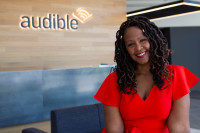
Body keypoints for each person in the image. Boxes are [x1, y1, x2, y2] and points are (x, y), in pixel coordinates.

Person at [94, 16, 199, 133]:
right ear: (125, 50)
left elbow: (180, 127)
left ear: (153, 40)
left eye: (142, 40)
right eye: (130, 44)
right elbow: (114, 129)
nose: (138, 48)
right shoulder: (115, 80)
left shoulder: (174, 74)